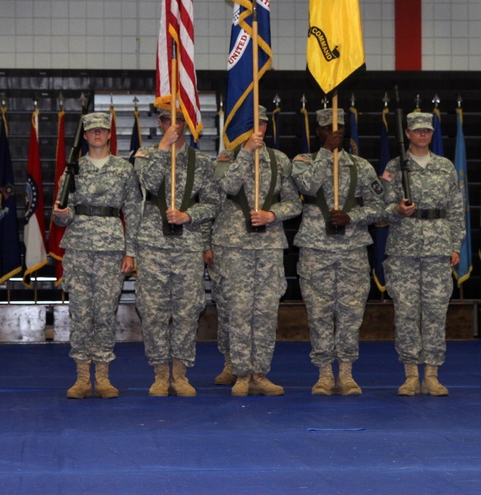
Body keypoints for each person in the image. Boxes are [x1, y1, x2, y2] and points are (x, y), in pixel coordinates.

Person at [291, 107, 384, 395]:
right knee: (318, 313)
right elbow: (307, 185)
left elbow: (379, 206)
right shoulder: (303, 162)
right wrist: (326, 154)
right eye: (330, 128)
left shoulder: (361, 166)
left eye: (341, 128)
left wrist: (352, 216)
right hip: (315, 249)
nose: (337, 132)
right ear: (318, 132)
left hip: (352, 250)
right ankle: (323, 374)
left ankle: (346, 373)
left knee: (350, 312)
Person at [212, 106, 302, 396]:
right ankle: (239, 373)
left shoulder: (279, 160)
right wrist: (246, 153)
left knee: (264, 312)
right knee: (238, 310)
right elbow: (226, 186)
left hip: (269, 246)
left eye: (262, 124)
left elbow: (294, 203)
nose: (258, 129)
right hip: (234, 245)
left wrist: (273, 215)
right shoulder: (227, 158)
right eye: (252, 125)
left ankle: (260, 373)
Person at [52, 112, 142, 399]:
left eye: (103, 130)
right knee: (80, 313)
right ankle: (81, 378)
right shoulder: (73, 170)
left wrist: (131, 252)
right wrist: (61, 215)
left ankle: (102, 377)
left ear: (109, 134)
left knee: (105, 312)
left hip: (111, 250)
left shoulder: (123, 169)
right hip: (78, 248)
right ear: (87, 136)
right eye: (92, 131)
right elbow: (61, 216)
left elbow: (134, 211)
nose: (98, 134)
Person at [132, 109, 220, 397]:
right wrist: (162, 149)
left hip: (187, 245)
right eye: (169, 120)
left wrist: (189, 215)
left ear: (187, 124)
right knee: (154, 311)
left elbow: (213, 204)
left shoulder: (201, 163)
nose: (175, 126)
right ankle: (160, 374)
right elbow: (148, 184)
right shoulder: (145, 156)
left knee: (186, 311)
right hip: (153, 245)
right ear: (161, 124)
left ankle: (180, 374)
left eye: (180, 121)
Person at [380, 111, 465, 396]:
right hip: (404, 248)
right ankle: (409, 374)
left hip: (437, 248)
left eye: (427, 131)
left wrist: (455, 245)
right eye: (417, 131)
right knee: (405, 312)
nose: (422, 135)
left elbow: (456, 209)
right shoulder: (395, 167)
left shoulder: (445, 167)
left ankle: (431, 374)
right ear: (407, 134)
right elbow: (380, 209)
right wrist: (397, 210)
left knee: (435, 312)